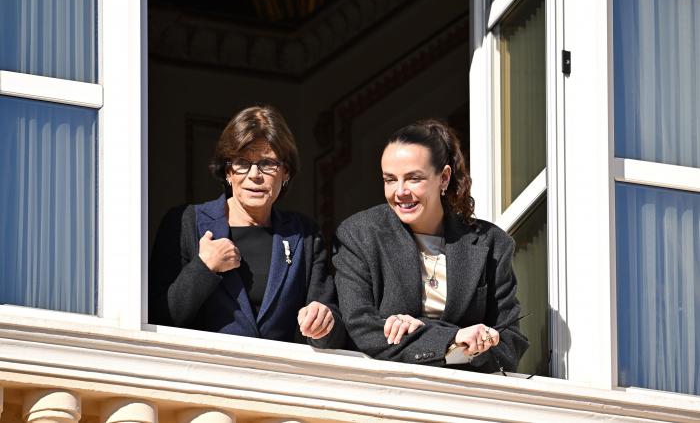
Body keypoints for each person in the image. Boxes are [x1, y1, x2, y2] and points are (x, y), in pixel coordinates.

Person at [333, 119, 528, 371]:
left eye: (414, 178)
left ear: (443, 178)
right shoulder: (359, 234)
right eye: (390, 179)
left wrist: (432, 335)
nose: (400, 191)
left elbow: (510, 343)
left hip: (466, 398)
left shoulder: (493, 244)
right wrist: (453, 339)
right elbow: (361, 327)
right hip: (385, 391)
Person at [149, 105, 345, 348]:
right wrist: (203, 268)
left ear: (286, 173)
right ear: (228, 171)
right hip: (202, 376)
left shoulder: (304, 234)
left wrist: (323, 322)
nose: (255, 175)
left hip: (278, 380)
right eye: (243, 162)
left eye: (268, 163)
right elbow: (157, 318)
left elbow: (334, 334)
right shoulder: (186, 222)